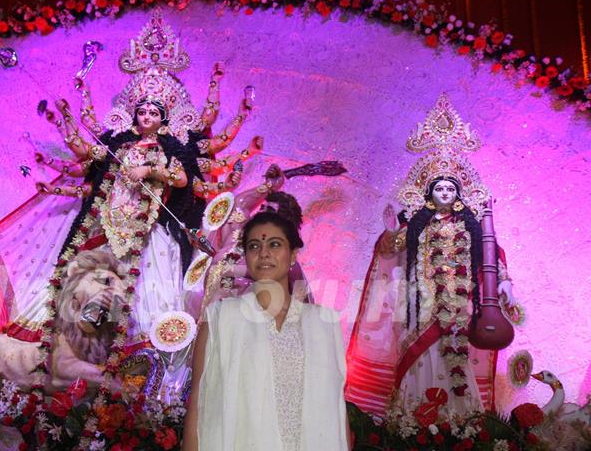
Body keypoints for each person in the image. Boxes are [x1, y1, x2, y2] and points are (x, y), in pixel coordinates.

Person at [345, 94, 514, 418]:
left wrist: (505, 284)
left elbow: (491, 257)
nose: (446, 194)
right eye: (440, 189)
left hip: (459, 305)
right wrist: (392, 231)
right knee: (421, 359)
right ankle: (413, 421)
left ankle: (458, 422)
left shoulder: (472, 228)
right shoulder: (416, 224)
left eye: (451, 190)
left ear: (459, 193)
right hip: (420, 304)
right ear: (429, 193)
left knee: (456, 359)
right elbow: (388, 250)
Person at [183, 196, 350, 450]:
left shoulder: (322, 323)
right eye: (253, 246)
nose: (264, 254)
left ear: (293, 254)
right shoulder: (219, 318)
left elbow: (336, 408)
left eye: (275, 244)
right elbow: (198, 403)